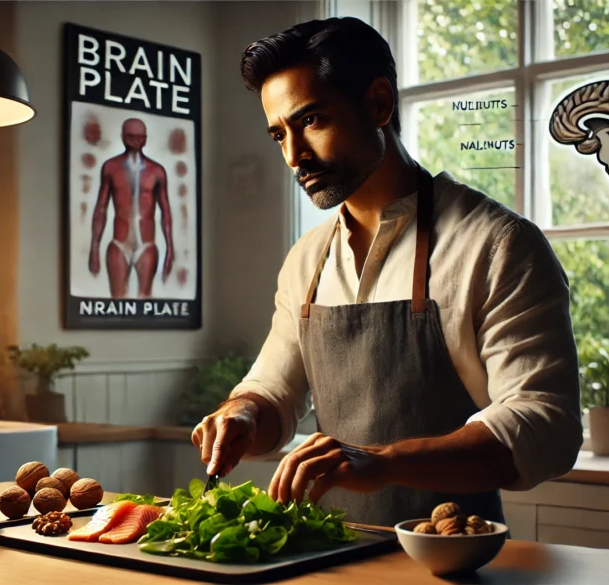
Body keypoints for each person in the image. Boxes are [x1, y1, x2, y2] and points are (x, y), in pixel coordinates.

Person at [190, 17, 583, 528]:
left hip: (451, 560)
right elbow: (274, 391)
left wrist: (385, 463)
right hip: (325, 559)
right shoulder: (306, 260)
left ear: (378, 103)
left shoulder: (496, 244)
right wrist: (242, 413)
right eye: (278, 134)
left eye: (311, 122)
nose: (293, 156)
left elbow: (545, 426)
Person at [89, 118, 175, 298]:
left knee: (145, 302)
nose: (135, 142)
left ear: (145, 139)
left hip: (147, 244)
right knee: (118, 302)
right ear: (122, 137)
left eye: (139, 137)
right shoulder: (111, 168)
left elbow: (165, 211)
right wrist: (94, 247)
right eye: (130, 137)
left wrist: (170, 249)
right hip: (119, 243)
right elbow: (101, 208)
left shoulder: (157, 171)